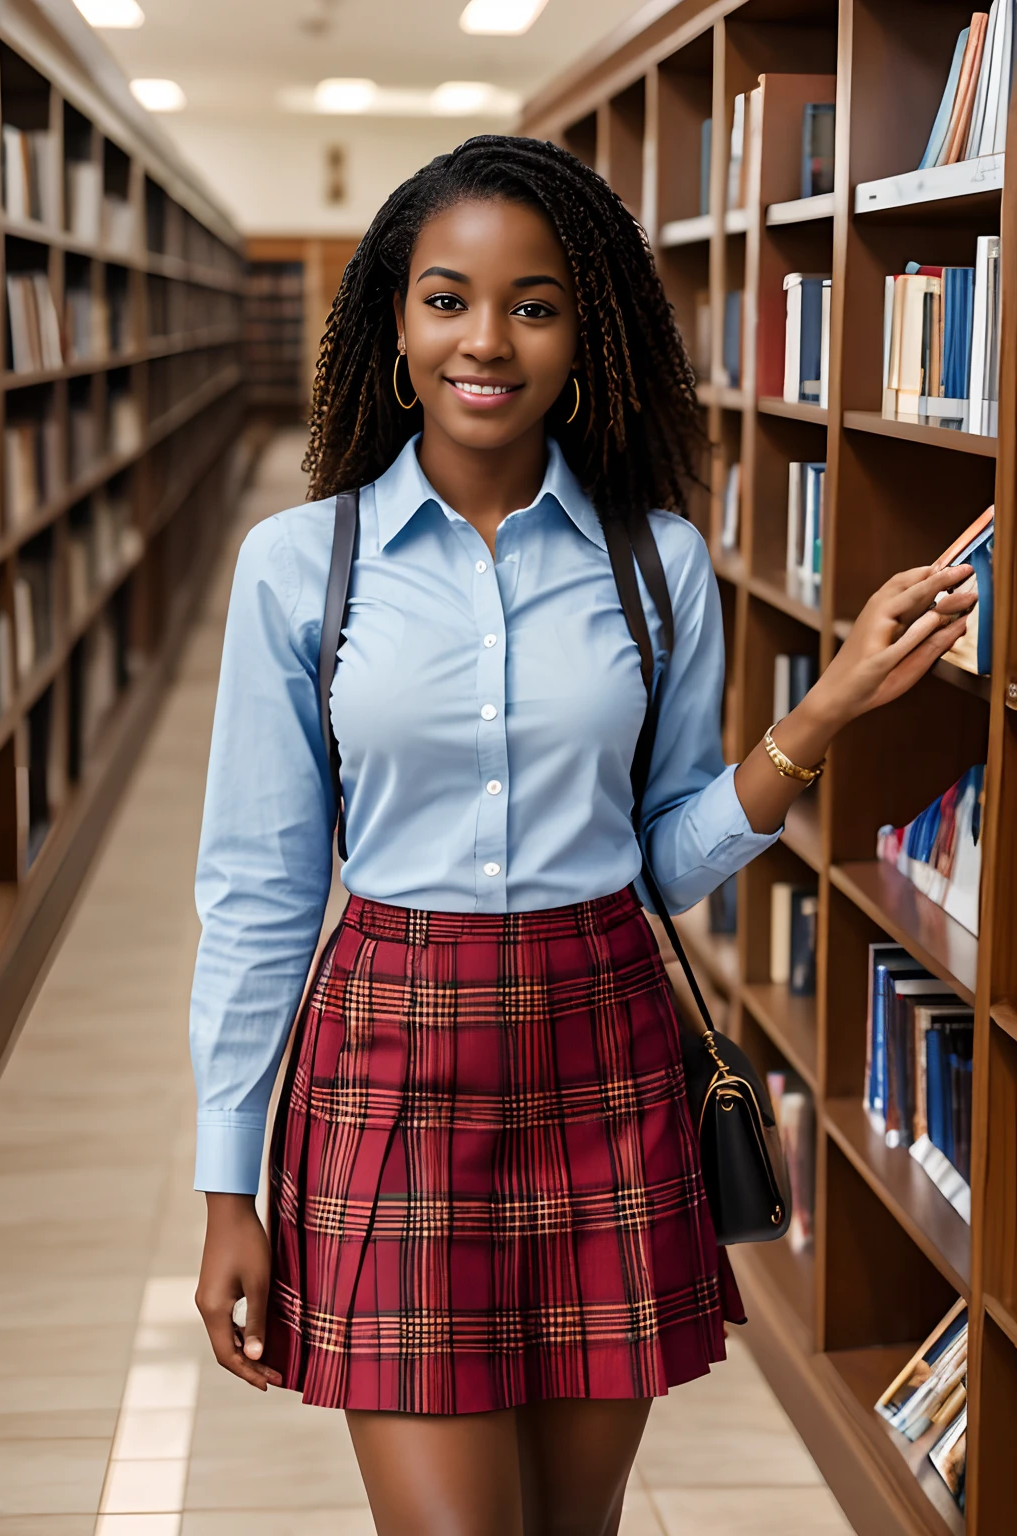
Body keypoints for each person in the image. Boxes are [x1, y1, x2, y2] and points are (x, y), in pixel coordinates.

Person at [189, 135, 974, 1536]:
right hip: (391, 1061)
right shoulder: (299, 567)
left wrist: (830, 708)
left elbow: (663, 852)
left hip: (604, 1045)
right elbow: (259, 892)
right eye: (446, 298)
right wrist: (222, 1182)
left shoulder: (655, 558)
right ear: (392, 323)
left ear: (583, 331)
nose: (486, 340)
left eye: (533, 304)